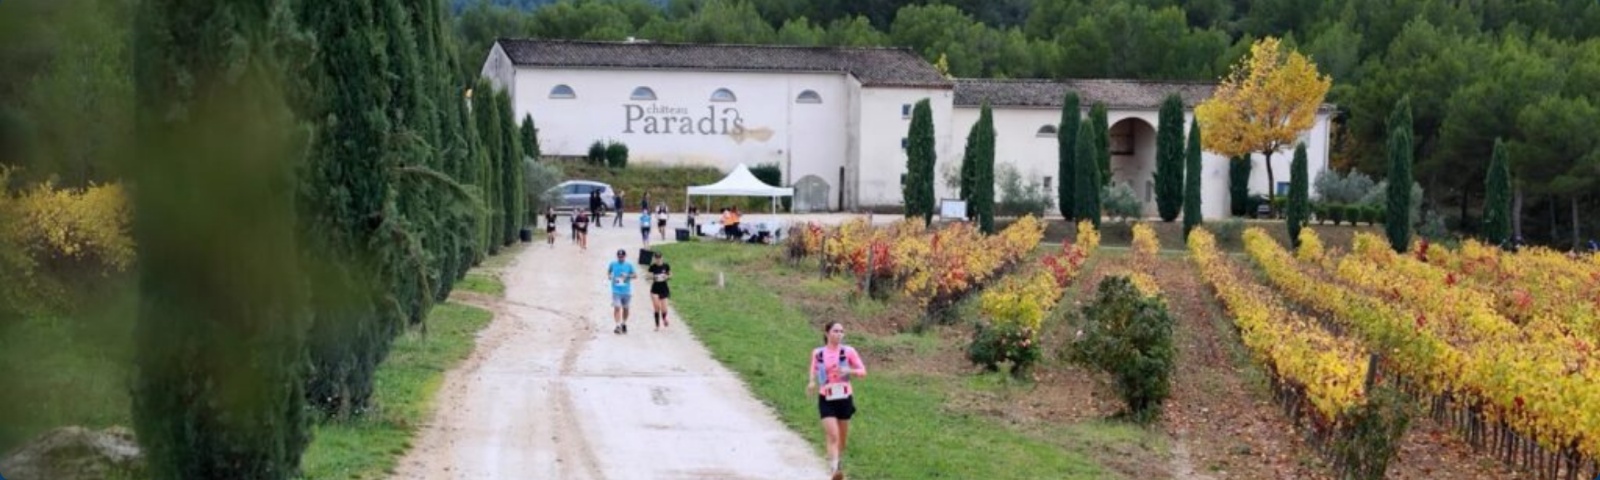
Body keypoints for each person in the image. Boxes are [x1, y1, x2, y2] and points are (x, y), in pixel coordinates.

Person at [806, 322, 866, 480]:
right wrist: (811, 382)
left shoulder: (849, 351)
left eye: (841, 331)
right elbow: (813, 369)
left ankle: (836, 463)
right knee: (832, 435)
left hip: (844, 398)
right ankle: (835, 471)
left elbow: (862, 371)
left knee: (842, 439)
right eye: (835, 331)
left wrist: (849, 370)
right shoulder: (818, 353)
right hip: (826, 397)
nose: (839, 334)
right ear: (827, 333)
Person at [607, 249, 636, 334]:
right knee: (617, 307)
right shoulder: (613, 264)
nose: (621, 258)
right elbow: (609, 271)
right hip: (616, 290)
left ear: (625, 256)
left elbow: (635, 275)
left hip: (626, 291)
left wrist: (627, 275)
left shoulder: (629, 265)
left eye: (622, 256)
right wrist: (609, 276)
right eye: (619, 257)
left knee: (626, 308)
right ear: (617, 256)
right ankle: (617, 325)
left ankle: (624, 323)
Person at [647, 252, 671, 330]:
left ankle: (664, 319)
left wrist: (666, 276)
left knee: (664, 309)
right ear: (654, 258)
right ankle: (657, 326)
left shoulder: (666, 266)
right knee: (657, 307)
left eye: (659, 258)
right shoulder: (652, 267)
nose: (658, 259)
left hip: (664, 289)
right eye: (656, 258)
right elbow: (648, 276)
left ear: (662, 258)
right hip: (655, 290)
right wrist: (654, 277)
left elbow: (670, 275)